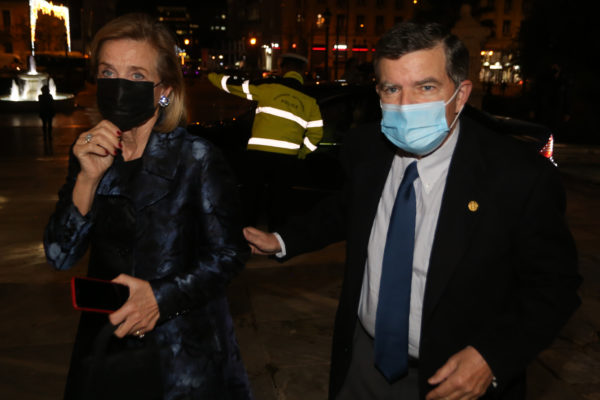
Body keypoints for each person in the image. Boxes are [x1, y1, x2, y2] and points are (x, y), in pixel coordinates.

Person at [243, 21, 580, 400]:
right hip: (363, 362)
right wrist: (283, 239)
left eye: (426, 87)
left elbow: (555, 286)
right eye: (392, 89)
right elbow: (347, 208)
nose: (405, 106)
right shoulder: (367, 148)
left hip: (455, 377)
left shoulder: (517, 176)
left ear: (461, 93)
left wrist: (492, 357)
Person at [44, 13, 252, 400]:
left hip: (177, 350)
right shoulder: (90, 151)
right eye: (108, 72)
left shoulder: (196, 158)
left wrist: (160, 298)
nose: (119, 85)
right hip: (104, 344)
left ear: (164, 91)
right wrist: (88, 178)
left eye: (137, 75)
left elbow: (230, 254)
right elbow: (59, 255)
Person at [207, 54, 324, 229]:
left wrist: (211, 75)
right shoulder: (310, 102)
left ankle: (247, 239)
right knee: (279, 205)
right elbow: (316, 134)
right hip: (287, 160)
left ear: (284, 69)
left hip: (258, 156)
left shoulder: (268, 88)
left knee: (251, 200)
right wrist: (302, 152)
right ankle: (275, 241)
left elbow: (234, 86)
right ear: (302, 72)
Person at [38, 84, 55, 155]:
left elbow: (40, 105)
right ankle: (49, 136)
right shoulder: (49, 96)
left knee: (44, 124)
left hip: (43, 112)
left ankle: (45, 136)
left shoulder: (40, 96)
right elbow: (52, 104)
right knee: (49, 124)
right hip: (49, 112)